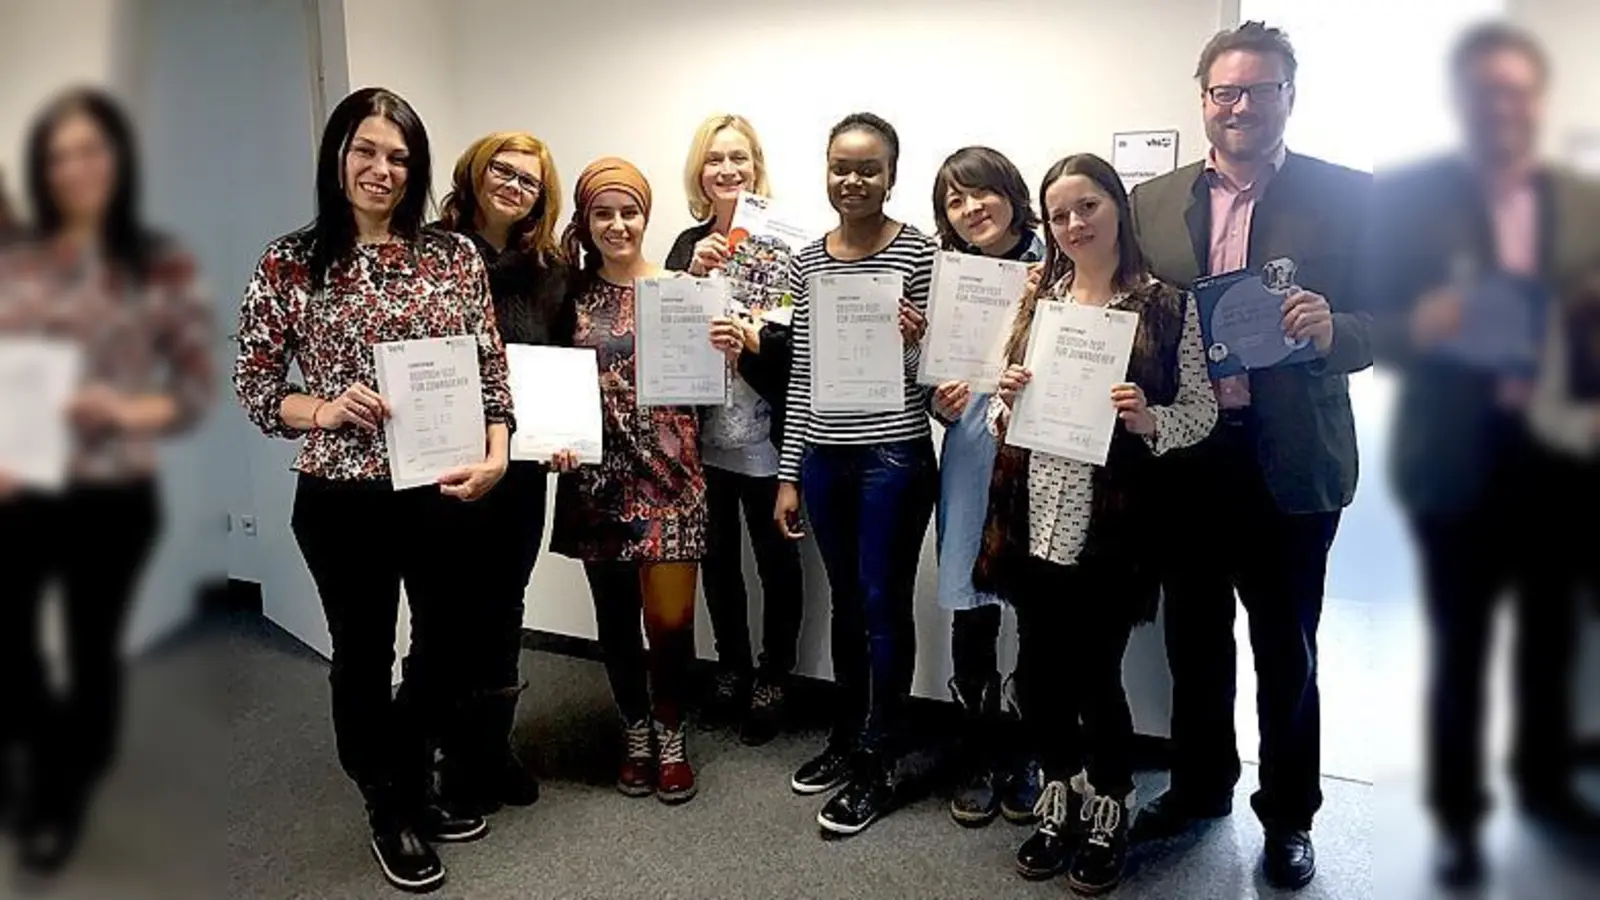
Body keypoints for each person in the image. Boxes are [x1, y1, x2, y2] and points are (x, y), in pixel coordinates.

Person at [234, 87, 513, 893]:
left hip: (445, 484)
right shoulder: (291, 260)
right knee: (362, 653)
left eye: (398, 156)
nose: (381, 169)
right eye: (365, 150)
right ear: (337, 156)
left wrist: (496, 453)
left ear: (415, 168)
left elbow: (490, 369)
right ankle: (388, 804)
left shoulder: (452, 256)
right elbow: (254, 385)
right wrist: (323, 407)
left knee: (448, 644)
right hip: (341, 497)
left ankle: (412, 775)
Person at [1127, 22, 1373, 891]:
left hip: (1292, 460)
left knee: (1285, 648)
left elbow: (1389, 321)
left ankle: (1290, 815)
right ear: (1202, 101)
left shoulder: (1348, 196)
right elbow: (1121, 308)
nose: (1239, 106)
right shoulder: (1150, 203)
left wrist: (1333, 329)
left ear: (1288, 98)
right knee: (1195, 641)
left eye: (1258, 91)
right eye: (1224, 92)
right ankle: (1199, 787)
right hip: (1188, 458)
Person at [1366, 22, 1600, 888]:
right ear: (1462, 100)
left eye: (1518, 91)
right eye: (1485, 91)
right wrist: (1411, 328)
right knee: (1459, 646)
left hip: (1563, 458)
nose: (1503, 106)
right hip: (1453, 457)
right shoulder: (1406, 196)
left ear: (1536, 100)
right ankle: (1458, 820)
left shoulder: (1579, 199)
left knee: (1549, 636)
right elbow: (1368, 322)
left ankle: (1545, 790)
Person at [982, 153, 1215, 894]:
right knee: (1040, 675)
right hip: (1030, 519)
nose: (1075, 225)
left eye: (1088, 206)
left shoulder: (1169, 306)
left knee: (1095, 675)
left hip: (1112, 526)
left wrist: (1150, 420)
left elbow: (1202, 414)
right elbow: (998, 415)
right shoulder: (1037, 300)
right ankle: (1059, 788)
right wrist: (1005, 398)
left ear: (1118, 207)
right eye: (1059, 215)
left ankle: (1109, 803)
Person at [0, 87, 212, 878]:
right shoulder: (17, 259)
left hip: (111, 492)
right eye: (57, 155)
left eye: (90, 150)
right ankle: (39, 756)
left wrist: (119, 406)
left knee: (90, 653)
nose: (74, 168)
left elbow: (191, 390)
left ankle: (59, 798)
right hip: (20, 485)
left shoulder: (159, 260)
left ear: (117, 158)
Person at [774, 112, 936, 836]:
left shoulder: (923, 256)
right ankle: (847, 735)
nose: (854, 179)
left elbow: (937, 378)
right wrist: (788, 473)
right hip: (824, 458)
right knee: (845, 601)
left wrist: (915, 344)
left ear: (892, 175)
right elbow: (802, 372)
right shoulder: (808, 261)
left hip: (894, 456)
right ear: (826, 170)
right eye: (842, 165)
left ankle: (881, 756)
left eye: (869, 168)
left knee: (881, 602)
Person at [549, 157, 708, 805]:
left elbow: (717, 380)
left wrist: (730, 342)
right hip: (597, 482)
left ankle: (672, 733)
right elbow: (546, 378)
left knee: (669, 622)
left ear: (647, 216)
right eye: (602, 213)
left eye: (629, 211)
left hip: (674, 479)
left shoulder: (683, 288)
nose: (618, 224)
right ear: (586, 223)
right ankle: (635, 730)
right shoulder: (567, 295)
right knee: (615, 621)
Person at [434, 131, 577, 816]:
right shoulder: (429, 252)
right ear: (475, 172)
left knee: (505, 604)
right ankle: (444, 755)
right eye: (504, 171)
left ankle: (494, 747)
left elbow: (563, 363)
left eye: (530, 180)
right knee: (445, 610)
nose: (514, 186)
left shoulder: (549, 267)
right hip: (446, 461)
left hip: (522, 468)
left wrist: (567, 435)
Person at [663, 114, 802, 746]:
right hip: (702, 438)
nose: (727, 170)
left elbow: (799, 355)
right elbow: (661, 337)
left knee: (776, 562)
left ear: (755, 167)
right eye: (715, 159)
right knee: (717, 562)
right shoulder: (684, 246)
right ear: (700, 171)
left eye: (739, 159)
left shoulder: (784, 243)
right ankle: (733, 666)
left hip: (768, 433)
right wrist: (691, 278)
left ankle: (774, 678)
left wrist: (749, 343)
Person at [924, 146, 1047, 828]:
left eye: (981, 193)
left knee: (1034, 604)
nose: (971, 209)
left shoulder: (1054, 264)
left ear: (1010, 192)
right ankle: (979, 748)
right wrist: (941, 400)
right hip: (971, 454)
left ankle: (1027, 753)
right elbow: (937, 396)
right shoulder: (950, 277)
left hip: (1039, 457)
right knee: (971, 606)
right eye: (954, 201)